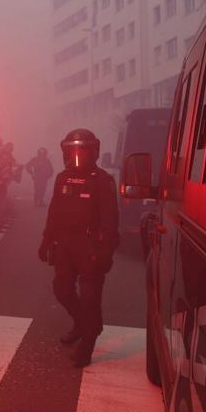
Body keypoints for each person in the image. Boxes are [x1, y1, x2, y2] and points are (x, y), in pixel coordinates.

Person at [37, 129, 119, 368]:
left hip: (90, 245)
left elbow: (111, 220)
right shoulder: (63, 178)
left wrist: (106, 252)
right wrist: (46, 240)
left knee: (90, 298)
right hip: (65, 244)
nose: (77, 156)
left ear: (93, 152)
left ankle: (87, 345)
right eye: (73, 150)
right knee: (61, 289)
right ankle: (84, 324)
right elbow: (54, 212)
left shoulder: (102, 180)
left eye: (82, 150)